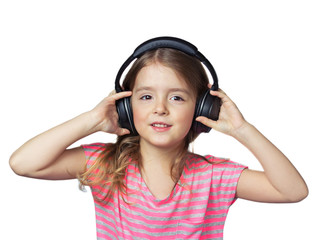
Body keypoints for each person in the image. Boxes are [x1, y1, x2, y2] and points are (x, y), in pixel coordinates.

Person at [9, 44, 308, 239]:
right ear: (126, 107)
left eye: (177, 97)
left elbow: (293, 191)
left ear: (202, 108)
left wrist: (243, 129)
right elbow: (23, 164)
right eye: (146, 96)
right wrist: (91, 120)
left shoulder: (214, 176)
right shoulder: (106, 165)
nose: (160, 108)